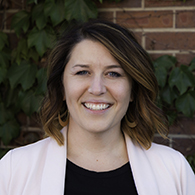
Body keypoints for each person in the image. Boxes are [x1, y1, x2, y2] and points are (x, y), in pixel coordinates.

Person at [0, 20, 194, 195]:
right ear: (62, 85)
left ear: (133, 89)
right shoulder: (14, 169)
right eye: (83, 72)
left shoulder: (173, 170)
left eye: (114, 74)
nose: (97, 89)